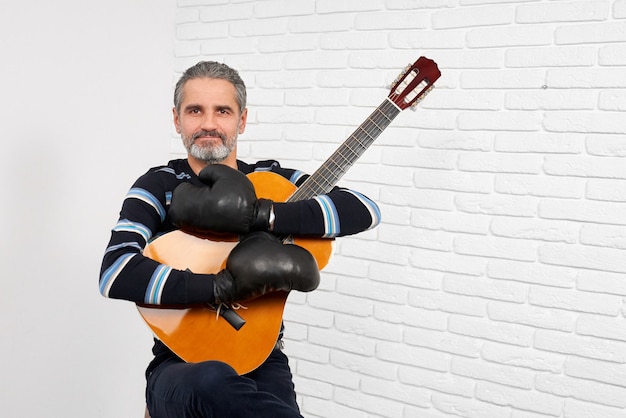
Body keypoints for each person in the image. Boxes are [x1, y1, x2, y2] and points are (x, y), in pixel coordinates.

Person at [99, 61, 381, 418]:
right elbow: (114, 273)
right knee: (213, 379)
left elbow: (365, 209)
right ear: (177, 120)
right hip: (180, 363)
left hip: (263, 356)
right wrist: (220, 287)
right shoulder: (160, 185)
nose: (209, 123)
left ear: (241, 120)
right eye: (195, 110)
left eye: (223, 111)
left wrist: (264, 214)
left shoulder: (271, 180)